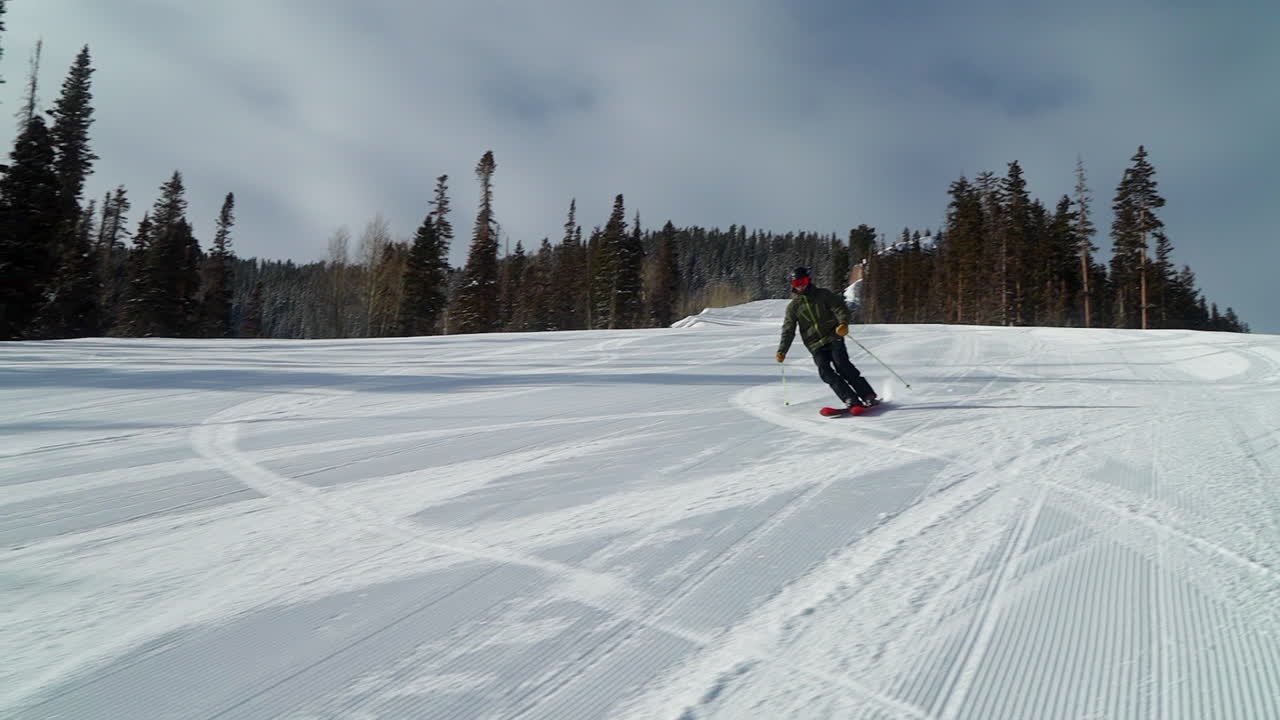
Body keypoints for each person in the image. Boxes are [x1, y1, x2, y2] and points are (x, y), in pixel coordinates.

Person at [776, 266, 879, 408]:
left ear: (809, 280)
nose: (800, 286)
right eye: (796, 283)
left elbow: (840, 308)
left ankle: (867, 395)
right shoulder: (793, 307)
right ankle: (850, 399)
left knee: (842, 365)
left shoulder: (823, 295)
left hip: (833, 336)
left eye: (803, 281)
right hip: (815, 344)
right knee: (825, 372)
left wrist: (843, 323)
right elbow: (788, 329)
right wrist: (782, 350)